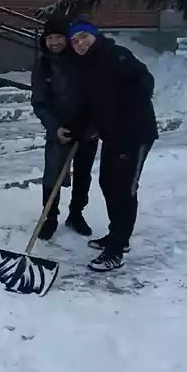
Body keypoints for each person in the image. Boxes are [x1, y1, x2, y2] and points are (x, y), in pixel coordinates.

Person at [66, 19, 158, 272]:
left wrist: (124, 112)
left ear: (95, 36)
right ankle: (116, 234)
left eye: (84, 37)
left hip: (135, 132)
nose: (80, 43)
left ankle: (117, 248)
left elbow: (145, 81)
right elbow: (91, 103)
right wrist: (83, 126)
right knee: (108, 182)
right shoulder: (86, 65)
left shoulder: (115, 55)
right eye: (74, 41)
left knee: (123, 188)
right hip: (113, 134)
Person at [31, 15, 98, 240]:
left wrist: (93, 124)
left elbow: (96, 94)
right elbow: (40, 102)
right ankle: (49, 217)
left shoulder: (82, 59)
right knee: (52, 173)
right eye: (50, 38)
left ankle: (76, 214)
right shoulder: (43, 65)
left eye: (59, 37)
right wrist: (54, 128)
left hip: (87, 128)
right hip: (59, 129)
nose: (55, 42)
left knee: (82, 175)